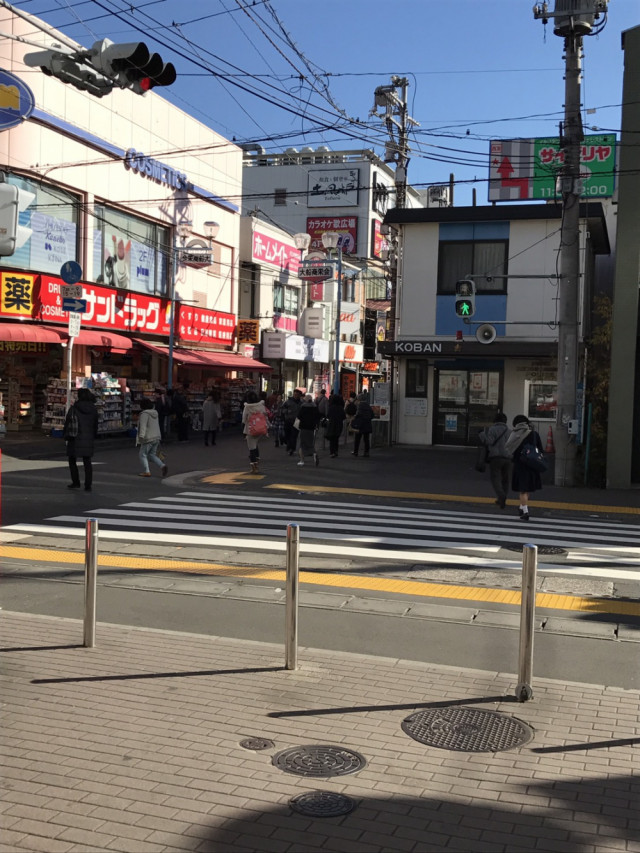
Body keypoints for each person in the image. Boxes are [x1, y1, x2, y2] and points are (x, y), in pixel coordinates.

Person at [505, 414, 545, 522]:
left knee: (522, 489)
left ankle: (525, 510)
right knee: (527, 489)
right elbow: (541, 450)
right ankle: (522, 507)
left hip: (519, 465)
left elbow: (508, 449)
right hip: (532, 465)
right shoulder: (534, 434)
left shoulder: (514, 434)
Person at [63, 387, 99, 492]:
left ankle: (76, 482)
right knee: (87, 461)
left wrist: (65, 435)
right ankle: (88, 485)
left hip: (75, 437)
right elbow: (95, 424)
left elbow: (68, 422)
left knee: (72, 460)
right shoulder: (93, 409)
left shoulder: (75, 408)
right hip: (88, 437)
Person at [478, 412, 512, 509]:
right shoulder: (510, 432)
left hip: (496, 458)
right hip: (508, 458)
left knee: (495, 478)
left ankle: (501, 495)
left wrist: (481, 434)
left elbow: (488, 441)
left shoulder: (492, 430)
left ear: (495, 420)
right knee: (505, 479)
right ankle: (503, 497)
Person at [137, 397, 167, 478]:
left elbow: (143, 426)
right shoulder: (155, 413)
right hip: (156, 436)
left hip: (148, 437)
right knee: (152, 455)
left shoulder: (144, 414)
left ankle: (147, 471)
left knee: (142, 454)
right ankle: (162, 465)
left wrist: (141, 437)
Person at [242, 390, 269, 474]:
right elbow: (265, 415)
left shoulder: (247, 407)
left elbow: (244, 419)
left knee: (251, 448)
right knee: (255, 444)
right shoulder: (261, 405)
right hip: (260, 429)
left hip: (251, 429)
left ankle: (254, 466)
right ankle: (257, 458)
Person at [296, 394, 320, 467]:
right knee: (310, 442)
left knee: (302, 444)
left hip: (303, 427)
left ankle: (302, 460)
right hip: (311, 428)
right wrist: (316, 426)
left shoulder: (303, 407)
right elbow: (317, 417)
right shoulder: (315, 407)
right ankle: (314, 454)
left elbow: (298, 417)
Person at [351, 392, 375, 458]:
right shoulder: (368, 405)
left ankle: (356, 452)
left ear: (359, 399)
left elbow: (358, 414)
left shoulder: (359, 405)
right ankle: (366, 452)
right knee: (366, 439)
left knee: (357, 438)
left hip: (360, 425)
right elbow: (372, 415)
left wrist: (354, 418)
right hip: (367, 424)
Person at [282, 389, 302, 456]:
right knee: (287, 435)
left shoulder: (301, 403)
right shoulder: (288, 402)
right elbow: (282, 409)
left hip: (297, 421)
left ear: (300, 395)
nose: (296, 396)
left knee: (294, 435)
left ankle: (292, 449)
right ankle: (288, 446)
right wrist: (287, 411)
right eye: (295, 394)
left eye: (297, 395)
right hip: (288, 420)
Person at [325, 393, 346, 458]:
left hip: (331, 424)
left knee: (332, 439)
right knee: (336, 438)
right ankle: (336, 451)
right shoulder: (340, 408)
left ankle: (332, 452)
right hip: (339, 424)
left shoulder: (331, 407)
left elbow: (328, 415)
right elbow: (343, 417)